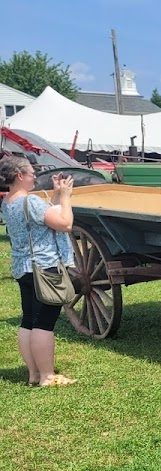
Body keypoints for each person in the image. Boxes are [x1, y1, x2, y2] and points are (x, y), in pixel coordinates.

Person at [0, 156, 77, 387]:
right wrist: (65, 198)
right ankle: (47, 376)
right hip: (44, 267)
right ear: (20, 176)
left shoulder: (9, 202)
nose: (35, 176)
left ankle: (34, 373)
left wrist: (54, 195)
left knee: (28, 321)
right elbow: (65, 223)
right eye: (32, 173)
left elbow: (41, 220)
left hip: (24, 267)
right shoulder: (30, 202)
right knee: (44, 322)